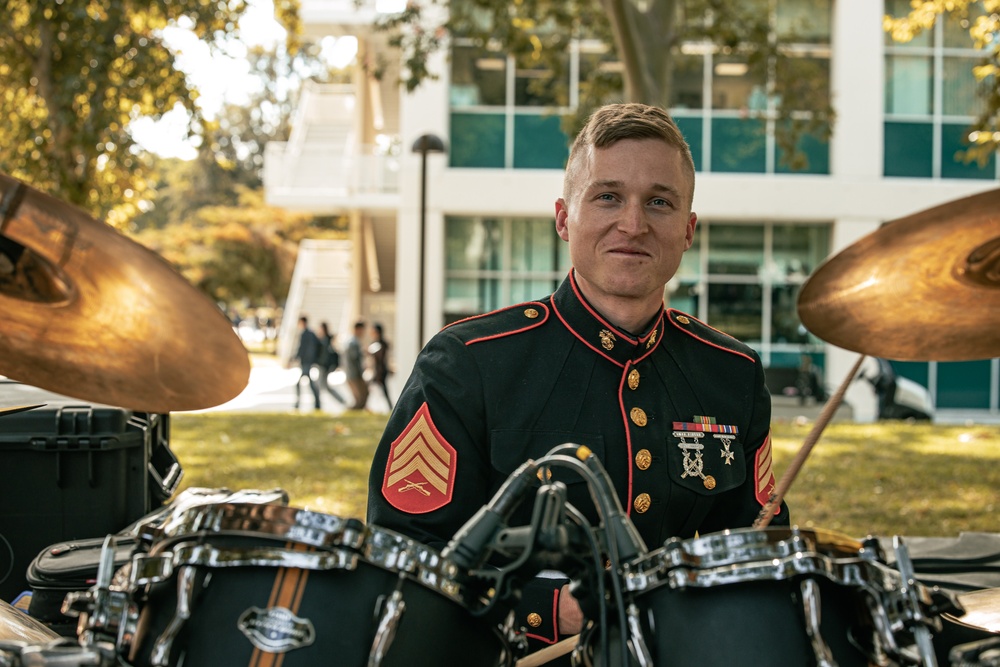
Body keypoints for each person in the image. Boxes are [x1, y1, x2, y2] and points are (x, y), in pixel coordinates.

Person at [367, 103, 789, 656]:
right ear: (565, 217)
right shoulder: (468, 362)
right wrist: (545, 609)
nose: (633, 224)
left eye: (659, 202)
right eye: (608, 196)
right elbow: (401, 550)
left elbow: (759, 547)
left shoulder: (731, 373)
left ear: (688, 230)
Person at [290, 315, 322, 411]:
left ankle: (301, 403)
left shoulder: (306, 334)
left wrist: (295, 357)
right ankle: (316, 403)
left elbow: (302, 348)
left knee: (305, 384)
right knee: (309, 383)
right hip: (307, 361)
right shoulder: (310, 333)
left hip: (306, 362)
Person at [316, 321, 348, 406]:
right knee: (323, 386)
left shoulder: (327, 340)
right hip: (322, 365)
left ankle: (318, 404)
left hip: (324, 366)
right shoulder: (322, 339)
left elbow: (330, 353)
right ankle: (341, 401)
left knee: (322, 386)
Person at [367, 322, 393, 410]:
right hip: (378, 370)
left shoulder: (381, 345)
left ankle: (389, 407)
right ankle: (389, 407)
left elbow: (381, 360)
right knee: (377, 390)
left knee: (381, 390)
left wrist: (378, 373)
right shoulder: (375, 343)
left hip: (380, 371)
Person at [345, 320, 369, 410]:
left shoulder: (352, 341)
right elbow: (355, 358)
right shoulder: (353, 342)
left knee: (362, 396)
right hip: (354, 374)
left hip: (352, 373)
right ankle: (350, 410)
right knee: (360, 398)